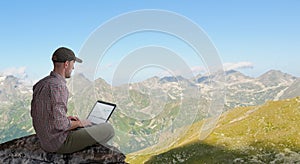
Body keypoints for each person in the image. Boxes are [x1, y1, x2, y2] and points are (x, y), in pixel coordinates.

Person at [31, 47, 114, 154]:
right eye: (73, 63)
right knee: (108, 129)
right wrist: (79, 123)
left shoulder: (41, 83)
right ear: (66, 64)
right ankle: (90, 151)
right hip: (58, 143)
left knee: (81, 126)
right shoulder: (59, 86)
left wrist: (67, 120)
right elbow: (60, 125)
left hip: (44, 140)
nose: (73, 68)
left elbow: (39, 113)